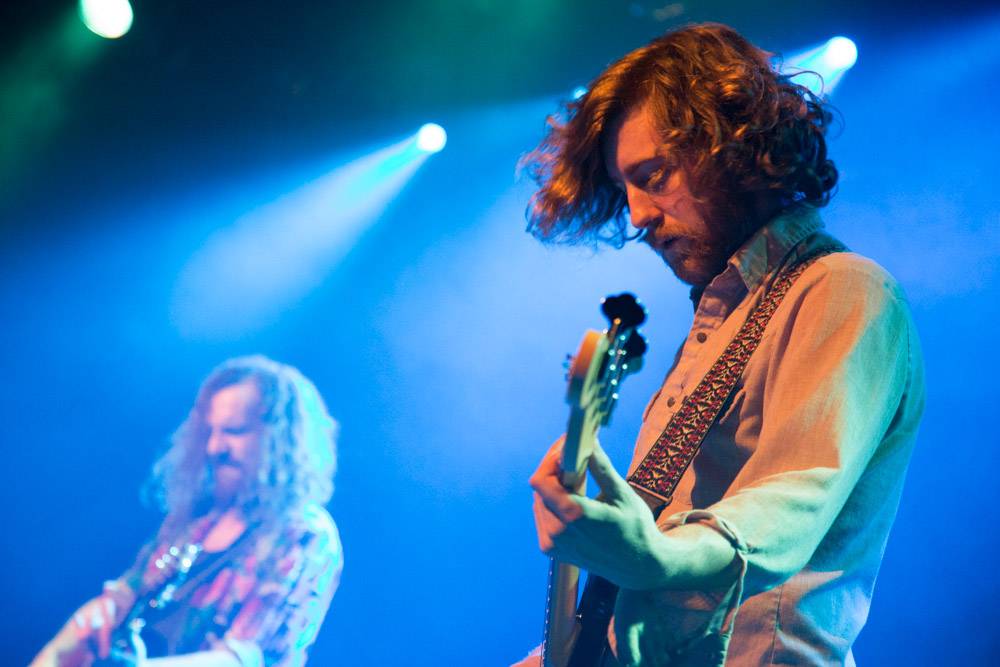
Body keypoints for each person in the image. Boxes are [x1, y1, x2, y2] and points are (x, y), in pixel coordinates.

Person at [517, 23, 925, 666]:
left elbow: (790, 501)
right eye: (624, 190)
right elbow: (654, 605)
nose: (637, 216)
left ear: (734, 145)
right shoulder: (717, 328)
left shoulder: (843, 288)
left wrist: (655, 556)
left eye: (654, 175)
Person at [31, 355, 343, 667]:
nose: (214, 448)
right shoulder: (197, 520)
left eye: (234, 430)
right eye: (210, 432)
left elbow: (244, 660)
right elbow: (125, 594)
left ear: (281, 438)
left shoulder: (306, 534)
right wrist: (96, 618)